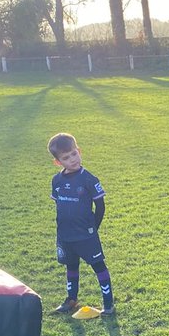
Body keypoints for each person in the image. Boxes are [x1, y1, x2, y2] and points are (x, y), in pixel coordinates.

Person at [48, 133, 114, 316]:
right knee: (71, 266)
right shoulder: (57, 181)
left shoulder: (89, 179)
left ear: (79, 151)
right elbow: (60, 206)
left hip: (86, 234)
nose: (72, 160)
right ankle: (71, 299)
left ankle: (108, 304)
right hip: (65, 235)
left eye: (74, 154)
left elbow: (100, 206)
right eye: (66, 158)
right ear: (58, 162)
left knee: (99, 266)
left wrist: (94, 228)